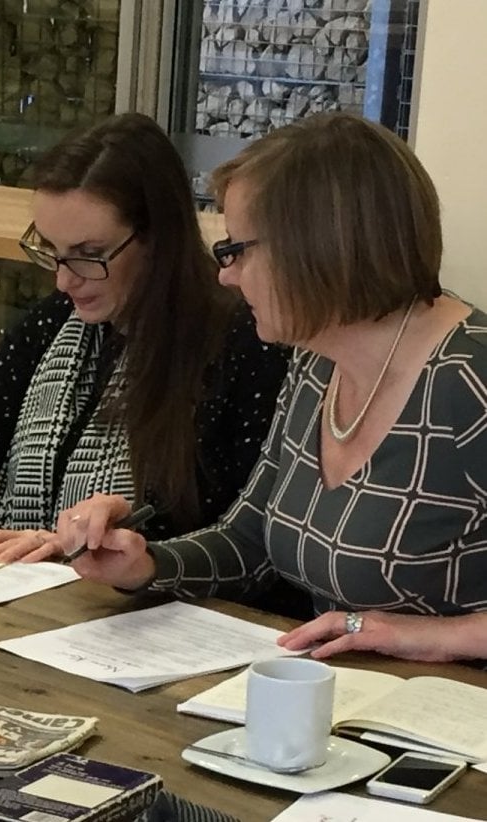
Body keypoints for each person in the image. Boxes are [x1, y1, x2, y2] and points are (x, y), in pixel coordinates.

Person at [56, 112, 487, 664]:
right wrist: (145, 565)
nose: (225, 275)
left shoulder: (467, 375)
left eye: (238, 250)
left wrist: (432, 637)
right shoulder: (315, 360)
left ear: (318, 246)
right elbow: (252, 538)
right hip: (344, 701)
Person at [0, 114, 289, 559]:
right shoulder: (57, 324)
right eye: (52, 251)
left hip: (151, 615)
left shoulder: (240, 341)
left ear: (158, 238)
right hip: (39, 600)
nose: (65, 280)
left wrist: (84, 547)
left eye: (88, 254)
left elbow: (233, 531)